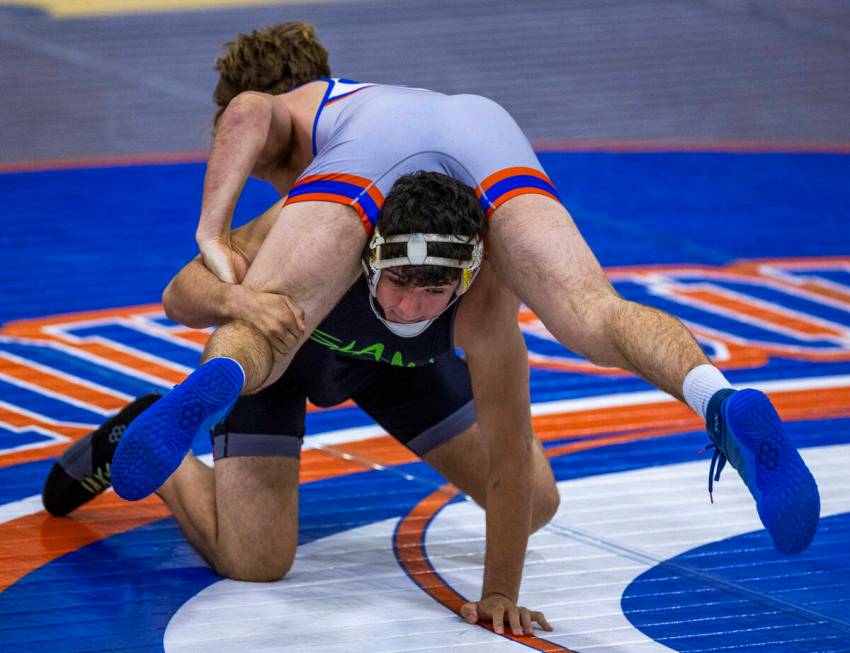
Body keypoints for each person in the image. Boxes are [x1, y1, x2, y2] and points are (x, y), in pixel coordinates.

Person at [113, 21, 819, 559]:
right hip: (488, 128)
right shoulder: (455, 236)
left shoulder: (308, 143)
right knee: (596, 312)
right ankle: (714, 396)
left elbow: (247, 114)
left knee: (269, 320)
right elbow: (513, 417)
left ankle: (218, 379)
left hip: (378, 345)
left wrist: (212, 228)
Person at [45, 171, 558, 636]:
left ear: (467, 276)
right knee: (255, 562)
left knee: (534, 501)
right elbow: (181, 290)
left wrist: (498, 594)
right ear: (373, 249)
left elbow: (510, 449)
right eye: (398, 280)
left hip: (397, 369)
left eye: (433, 291)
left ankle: (144, 429)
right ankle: (144, 438)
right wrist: (238, 299)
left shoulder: (486, 301)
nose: (406, 307)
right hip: (283, 360)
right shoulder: (321, 221)